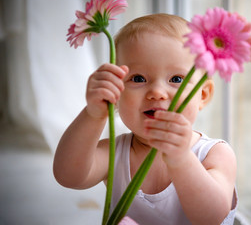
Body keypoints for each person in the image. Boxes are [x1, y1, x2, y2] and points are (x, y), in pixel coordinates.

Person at [53, 13, 237, 225]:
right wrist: (93, 114)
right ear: (118, 93)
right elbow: (68, 176)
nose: (157, 92)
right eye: (138, 78)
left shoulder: (215, 154)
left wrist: (182, 159)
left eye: (176, 79)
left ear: (203, 95)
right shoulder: (116, 153)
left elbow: (212, 217)